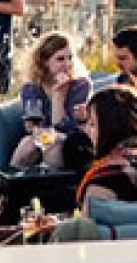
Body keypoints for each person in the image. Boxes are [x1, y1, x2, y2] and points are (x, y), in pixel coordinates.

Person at [10, 32, 92, 170]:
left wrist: (58, 96)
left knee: (51, 148)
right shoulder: (31, 88)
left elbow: (64, 128)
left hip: (72, 141)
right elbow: (34, 127)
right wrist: (32, 127)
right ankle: (9, 186)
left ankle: (53, 189)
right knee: (26, 144)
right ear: (44, 61)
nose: (67, 64)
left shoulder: (80, 86)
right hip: (42, 137)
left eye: (70, 58)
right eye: (60, 59)